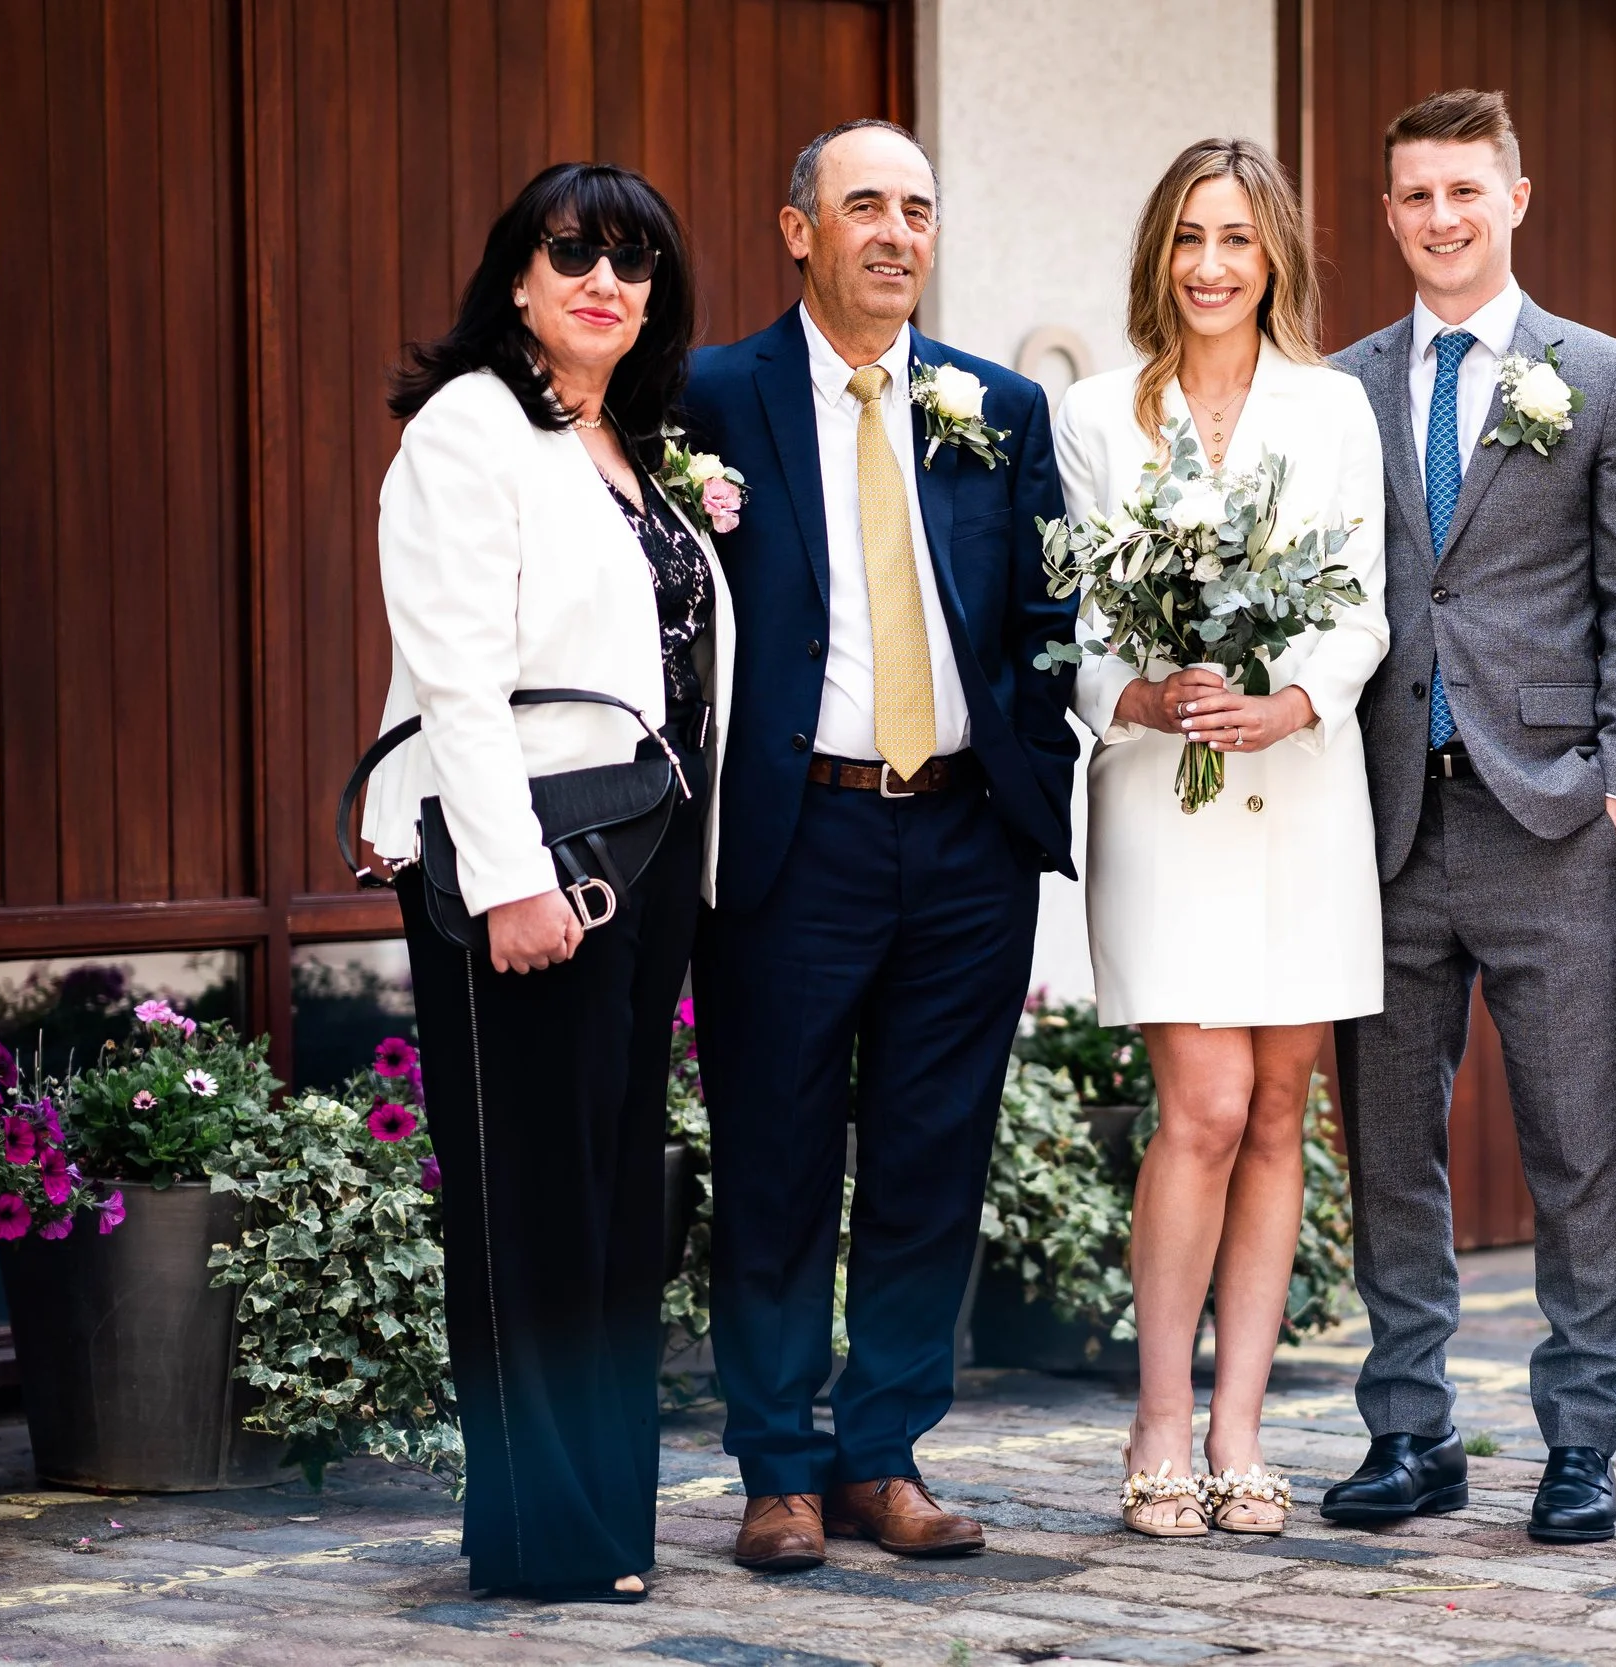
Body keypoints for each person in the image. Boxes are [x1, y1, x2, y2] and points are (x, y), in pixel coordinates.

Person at [680, 119, 1078, 1573]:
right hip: (795, 837)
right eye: (865, 205)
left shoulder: (999, 407)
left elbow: (1046, 615)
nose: (897, 232)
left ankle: (882, 1456)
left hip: (966, 839)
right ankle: (777, 1469)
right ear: (801, 230)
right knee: (774, 1161)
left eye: (917, 208)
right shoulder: (710, 395)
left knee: (931, 1160)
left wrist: (1033, 773)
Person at [366, 161, 733, 1604]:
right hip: (530, 863)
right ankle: (541, 1537)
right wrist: (508, 878)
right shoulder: (471, 427)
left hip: (645, 861)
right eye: (571, 252)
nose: (603, 281)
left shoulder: (631, 443)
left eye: (632, 263)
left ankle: (602, 1525)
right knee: (530, 1205)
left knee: (611, 1201)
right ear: (517, 278)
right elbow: (455, 674)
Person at [1324, 89, 1616, 1545]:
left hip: (1549, 820)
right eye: (1416, 195)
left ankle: (1583, 1439)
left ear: (1514, 199)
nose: (1441, 217)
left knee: (1578, 1145)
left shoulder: (1604, 376)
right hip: (1384, 821)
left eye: (1465, 189)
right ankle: (1410, 1430)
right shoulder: (1337, 387)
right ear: (1390, 213)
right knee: (1388, 1146)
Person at [1054, 138, 1389, 1538]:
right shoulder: (1094, 414)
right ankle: (1158, 1420)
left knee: (1278, 1112)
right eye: (1190, 236)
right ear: (1159, 253)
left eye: (1237, 239)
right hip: (1161, 791)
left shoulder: (1335, 406)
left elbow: (1361, 601)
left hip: (1302, 788)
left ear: (1275, 258)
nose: (1211, 265)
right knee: (1201, 1104)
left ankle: (1240, 1429)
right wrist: (1136, 696)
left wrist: (1294, 700)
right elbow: (1077, 619)